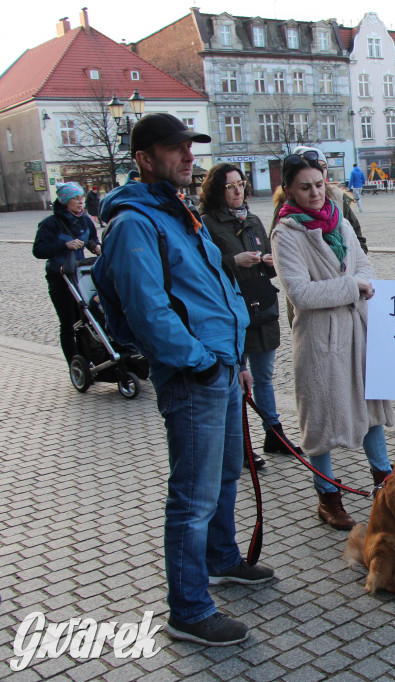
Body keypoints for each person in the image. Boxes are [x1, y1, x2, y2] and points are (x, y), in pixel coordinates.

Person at [94, 113, 271, 646]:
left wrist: (236, 360)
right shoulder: (135, 223)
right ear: (144, 158)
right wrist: (202, 362)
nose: (188, 157)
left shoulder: (176, 210)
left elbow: (218, 287)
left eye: (190, 148)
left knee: (225, 475)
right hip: (195, 376)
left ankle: (221, 558)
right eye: (176, 149)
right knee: (192, 496)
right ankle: (189, 609)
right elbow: (148, 312)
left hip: (221, 366)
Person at [271, 155, 394, 530]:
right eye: (305, 187)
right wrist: (351, 286)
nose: (314, 193)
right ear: (289, 190)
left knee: (371, 409)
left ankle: (385, 483)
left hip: (357, 330)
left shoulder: (339, 221)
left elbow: (364, 265)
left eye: (319, 184)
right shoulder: (285, 234)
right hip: (320, 339)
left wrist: (361, 282)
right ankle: (327, 497)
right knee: (320, 419)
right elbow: (300, 293)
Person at [201, 164, 302, 466]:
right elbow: (204, 267)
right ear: (217, 190)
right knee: (237, 381)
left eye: (240, 184)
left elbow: (271, 264)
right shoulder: (207, 223)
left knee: (264, 378)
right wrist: (234, 261)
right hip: (232, 311)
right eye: (230, 186)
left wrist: (270, 263)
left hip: (262, 308)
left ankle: (274, 434)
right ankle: (241, 444)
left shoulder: (254, 220)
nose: (237, 191)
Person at [33, 181, 101, 367]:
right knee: (68, 322)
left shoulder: (85, 220)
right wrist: (64, 246)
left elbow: (92, 239)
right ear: (65, 201)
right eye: (75, 199)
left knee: (87, 318)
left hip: (79, 276)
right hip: (60, 277)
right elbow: (38, 250)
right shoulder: (50, 224)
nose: (81, 202)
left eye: (81, 198)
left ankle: (89, 360)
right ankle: (75, 364)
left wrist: (95, 247)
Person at [281, 147, 367, 253]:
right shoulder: (286, 227)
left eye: (324, 167)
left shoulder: (339, 201)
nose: (320, 171)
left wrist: (353, 259)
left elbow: (359, 242)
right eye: (305, 188)